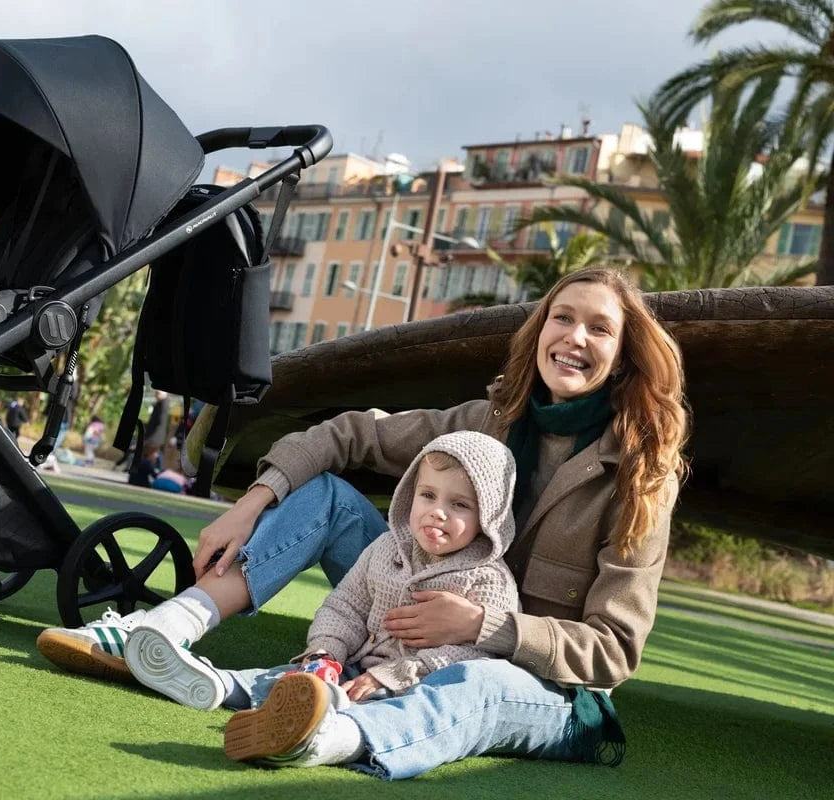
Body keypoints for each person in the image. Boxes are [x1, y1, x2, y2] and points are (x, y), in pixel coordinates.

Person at [36, 267, 689, 779]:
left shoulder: (641, 479)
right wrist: (252, 501)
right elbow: (348, 433)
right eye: (562, 318)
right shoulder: (486, 423)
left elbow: (614, 651)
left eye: (599, 329)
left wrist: (484, 626)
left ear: (623, 356)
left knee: (476, 683)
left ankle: (324, 734)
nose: (575, 338)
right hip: (416, 620)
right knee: (325, 495)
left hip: (536, 682)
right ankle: (165, 633)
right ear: (539, 331)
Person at [121, 431, 519, 720]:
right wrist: (325, 652)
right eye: (427, 496)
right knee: (292, 679)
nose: (438, 512)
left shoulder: (488, 580)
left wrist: (393, 676)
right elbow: (346, 605)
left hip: (410, 686)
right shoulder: (385, 549)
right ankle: (222, 685)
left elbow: (476, 657)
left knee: (380, 707)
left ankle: (314, 720)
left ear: (489, 517)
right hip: (353, 669)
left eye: (459, 505)